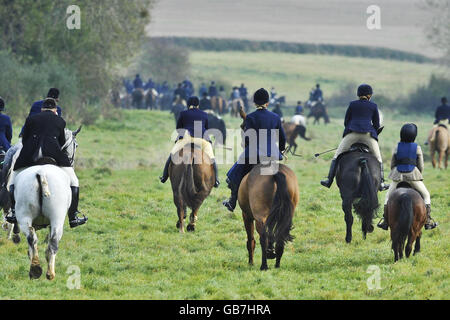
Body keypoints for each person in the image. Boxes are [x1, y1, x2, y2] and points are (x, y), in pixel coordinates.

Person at [6, 98, 87, 228]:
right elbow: (61, 142)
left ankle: (13, 212)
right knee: (74, 181)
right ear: (55, 110)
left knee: (12, 181)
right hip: (53, 154)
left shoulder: (31, 119)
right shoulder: (60, 121)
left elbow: (25, 139)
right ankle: (73, 217)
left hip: (30, 155)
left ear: (42, 108)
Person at [223, 88, 286, 212]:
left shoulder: (250, 117)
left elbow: (247, 138)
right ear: (267, 103)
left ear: (255, 103)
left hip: (254, 155)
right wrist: (281, 150)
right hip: (271, 155)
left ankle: (232, 201)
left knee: (232, 176)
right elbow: (282, 138)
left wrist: (247, 144)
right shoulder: (275, 117)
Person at [320, 84, 388, 191]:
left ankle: (329, 180)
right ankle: (382, 183)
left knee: (337, 155)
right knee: (378, 158)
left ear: (358, 94)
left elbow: (346, 121)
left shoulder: (352, 104)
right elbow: (376, 124)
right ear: (369, 95)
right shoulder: (373, 106)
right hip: (368, 135)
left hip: (352, 134)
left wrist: (351, 128)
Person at [377, 123, 438, 230]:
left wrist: (394, 173)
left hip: (398, 176)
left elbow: (393, 163)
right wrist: (418, 174)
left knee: (387, 196)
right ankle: (428, 221)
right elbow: (421, 165)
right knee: (426, 195)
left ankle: (385, 221)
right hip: (413, 176)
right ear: (414, 135)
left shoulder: (397, 146)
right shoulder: (417, 147)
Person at [160, 96, 219, 188]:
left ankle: (164, 177)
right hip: (201, 139)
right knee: (211, 158)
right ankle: (216, 180)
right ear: (198, 105)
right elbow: (206, 128)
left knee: (172, 155)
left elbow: (178, 128)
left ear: (188, 104)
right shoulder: (204, 114)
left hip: (186, 137)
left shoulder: (183, 113)